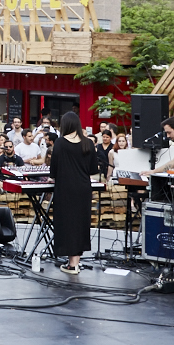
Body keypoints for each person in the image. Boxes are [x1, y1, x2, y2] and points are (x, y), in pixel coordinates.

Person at [49, 112, 98, 275]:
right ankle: (75, 263)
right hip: (83, 188)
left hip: (66, 188)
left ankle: (72, 264)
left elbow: (53, 169)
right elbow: (93, 169)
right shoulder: (88, 143)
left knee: (67, 224)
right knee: (80, 224)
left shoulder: (60, 143)